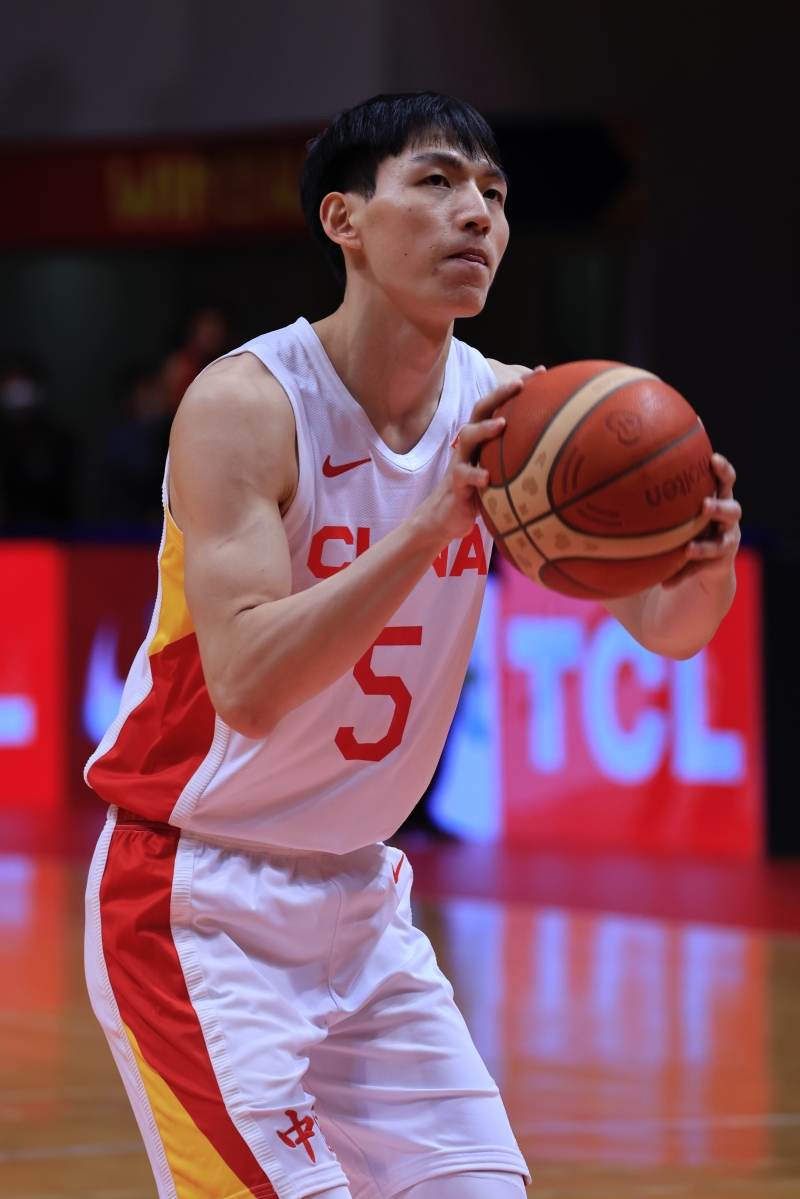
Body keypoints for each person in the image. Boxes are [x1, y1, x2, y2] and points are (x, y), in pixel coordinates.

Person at [83, 94, 741, 1199]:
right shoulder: (246, 404)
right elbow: (247, 686)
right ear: (343, 218)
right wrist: (426, 530)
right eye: (436, 181)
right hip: (194, 896)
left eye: (493, 193)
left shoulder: (513, 414)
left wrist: (700, 566)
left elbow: (666, 632)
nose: (475, 212)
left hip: (361, 897)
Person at [0, 358, 74, 524]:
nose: (17, 389)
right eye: (10, 381)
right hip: (7, 530)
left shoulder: (59, 438)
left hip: (54, 527)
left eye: (23, 380)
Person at [100, 365, 171, 523]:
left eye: (160, 388)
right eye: (149, 389)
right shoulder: (122, 440)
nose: (156, 396)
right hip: (126, 530)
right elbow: (145, 476)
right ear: (130, 397)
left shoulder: (168, 432)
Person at [161, 305, 230, 415]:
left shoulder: (231, 364)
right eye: (207, 324)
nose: (213, 331)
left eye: (218, 325)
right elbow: (167, 406)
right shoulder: (179, 363)